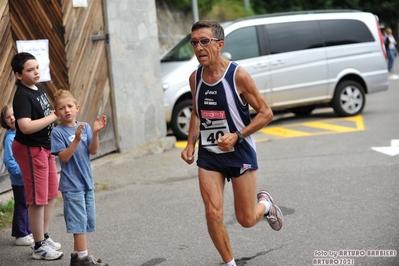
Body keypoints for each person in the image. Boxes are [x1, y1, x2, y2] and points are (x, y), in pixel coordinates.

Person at [181, 20, 283, 266]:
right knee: (213, 212)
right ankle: (230, 263)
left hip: (240, 152)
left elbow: (266, 113)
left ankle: (266, 205)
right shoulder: (195, 78)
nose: (198, 47)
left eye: (205, 41)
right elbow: (196, 112)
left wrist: (238, 135)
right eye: (194, 42)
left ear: (220, 44)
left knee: (246, 219)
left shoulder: (237, 75)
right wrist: (190, 144)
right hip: (210, 155)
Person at [11, 52, 63, 260]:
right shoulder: (22, 95)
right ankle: (38, 246)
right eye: (30, 70)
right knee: (37, 199)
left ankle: (43, 236)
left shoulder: (38, 88)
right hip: (31, 150)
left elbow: (46, 116)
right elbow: (24, 126)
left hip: (45, 148)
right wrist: (52, 116)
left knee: (51, 193)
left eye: (37, 68)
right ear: (18, 75)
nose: (36, 72)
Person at [50, 89, 108, 266]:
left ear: (77, 107)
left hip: (86, 182)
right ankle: (84, 259)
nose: (66, 110)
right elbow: (64, 157)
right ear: (56, 113)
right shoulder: (57, 133)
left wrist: (96, 133)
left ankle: (76, 257)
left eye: (69, 106)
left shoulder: (85, 126)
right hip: (72, 185)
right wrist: (75, 139)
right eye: (61, 108)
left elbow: (93, 150)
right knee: (79, 223)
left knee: (85, 221)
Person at [1, 105, 33, 246]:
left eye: (14, 114)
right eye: (8, 117)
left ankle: (27, 230)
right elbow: (8, 160)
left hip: (28, 178)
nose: (12, 118)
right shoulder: (10, 138)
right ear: (5, 122)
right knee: (22, 205)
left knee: (28, 204)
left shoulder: (22, 134)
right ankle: (20, 234)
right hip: (20, 180)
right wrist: (21, 173)